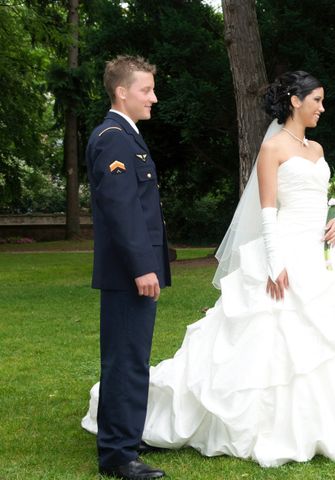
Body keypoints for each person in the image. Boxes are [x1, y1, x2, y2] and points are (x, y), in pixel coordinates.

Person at [82, 70, 335, 467]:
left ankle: (126, 435)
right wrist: (276, 264)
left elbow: (325, 200)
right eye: (317, 101)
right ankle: (123, 444)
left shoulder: (317, 149)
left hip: (321, 259)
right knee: (264, 341)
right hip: (283, 253)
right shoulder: (272, 149)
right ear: (295, 100)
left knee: (334, 339)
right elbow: (268, 211)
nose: (322, 108)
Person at [85, 55, 171, 479]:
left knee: (130, 357)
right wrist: (143, 266)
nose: (153, 98)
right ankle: (119, 455)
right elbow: (121, 208)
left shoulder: (126, 136)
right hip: (128, 272)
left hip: (131, 269)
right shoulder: (115, 137)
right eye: (146, 90)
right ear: (122, 92)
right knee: (126, 360)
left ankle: (124, 438)